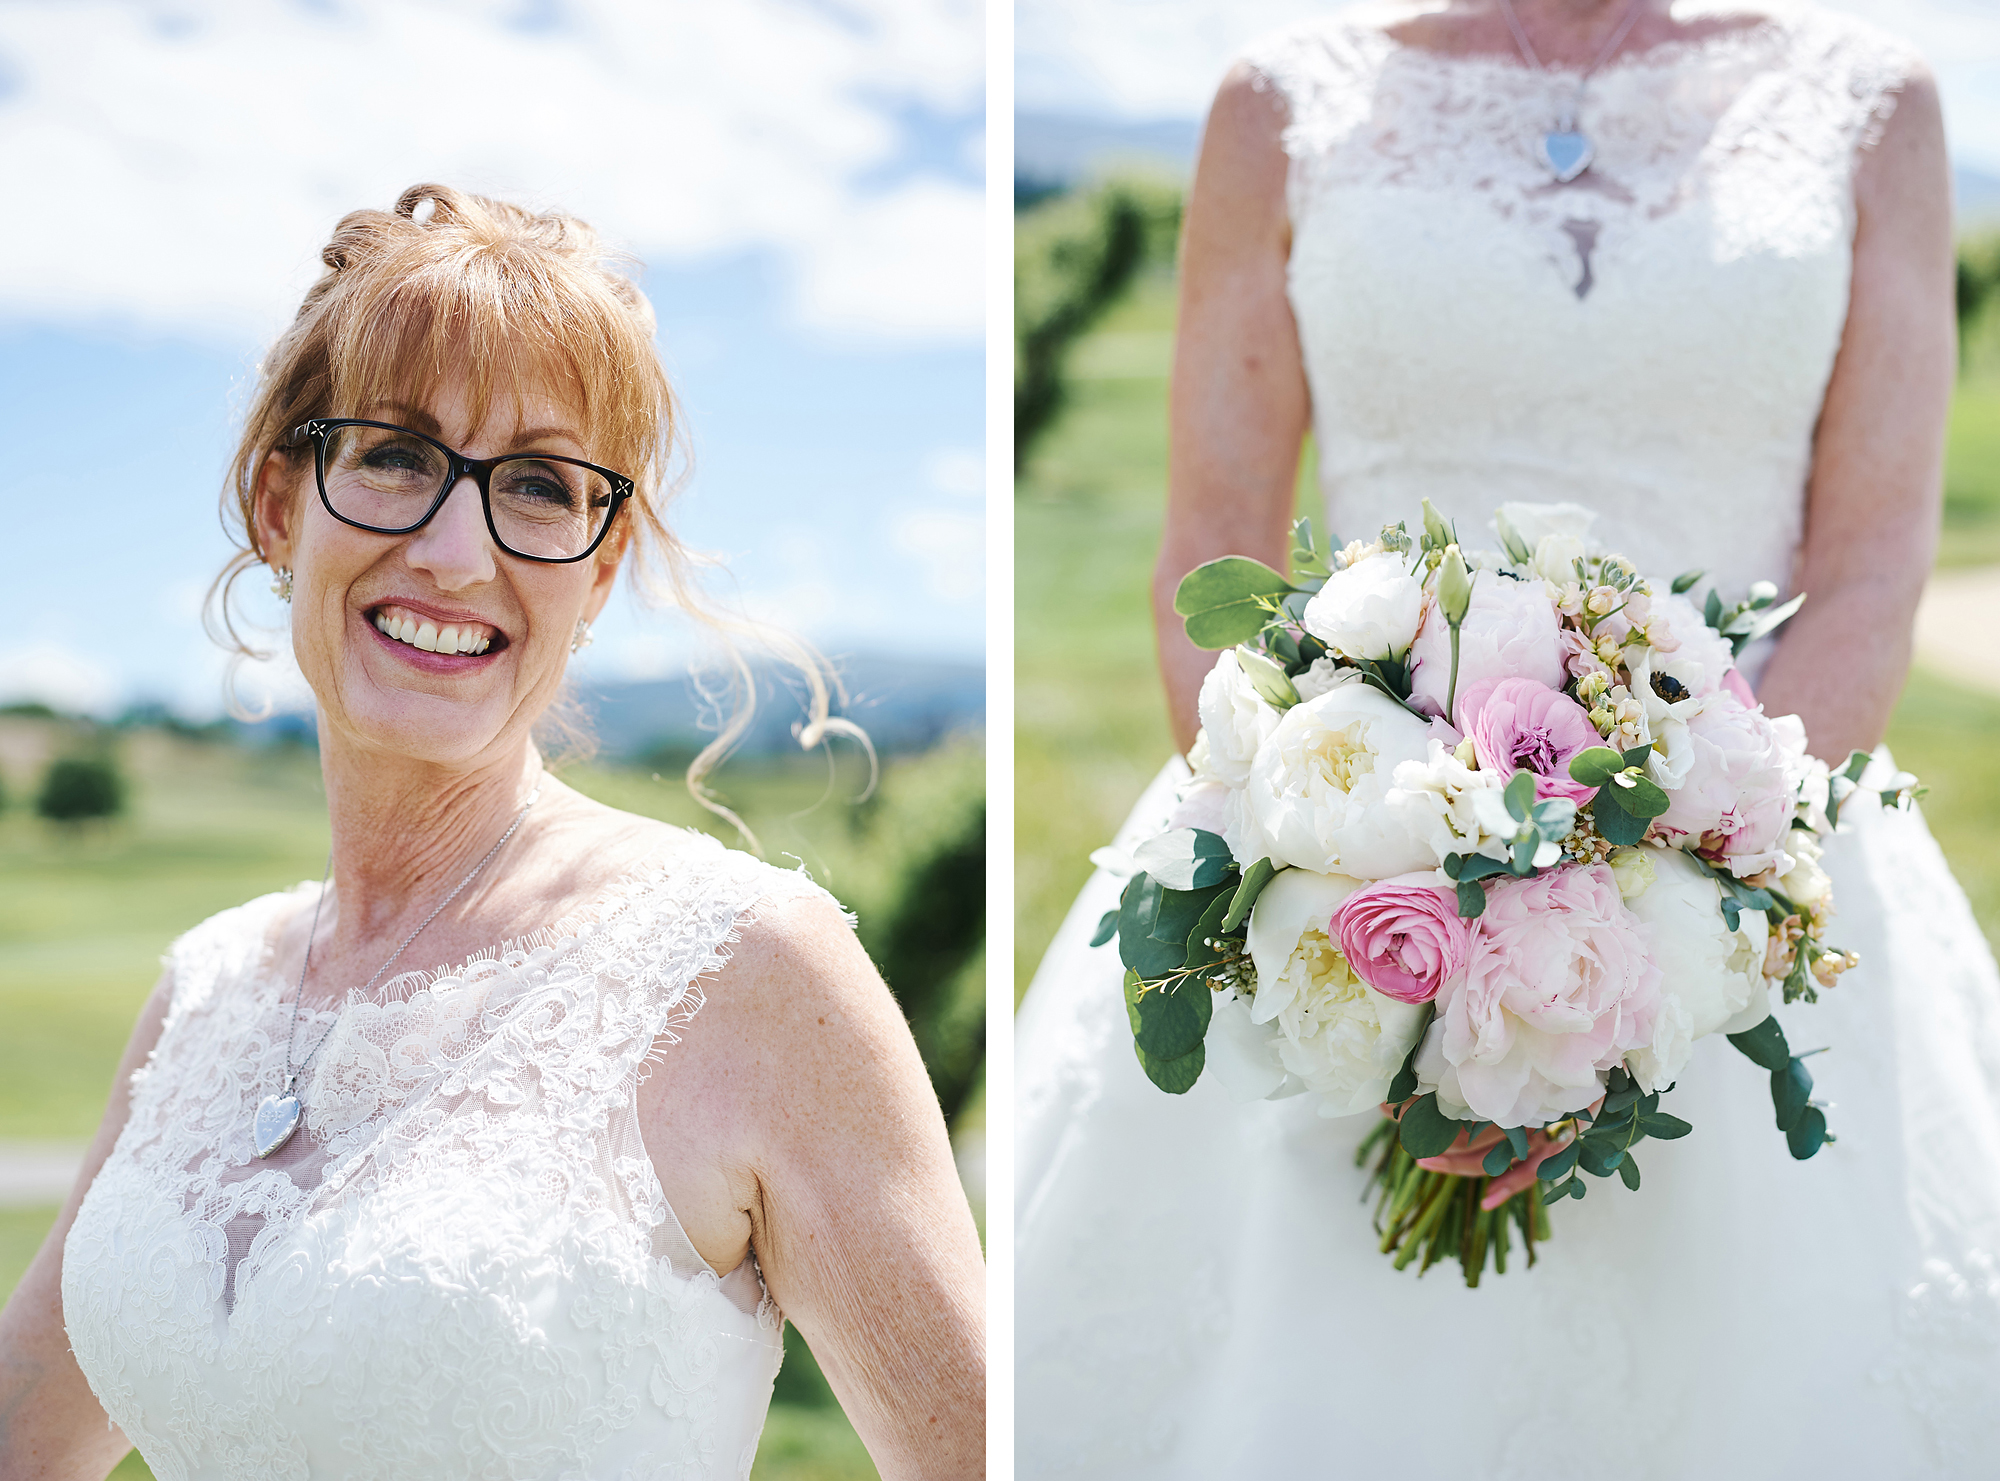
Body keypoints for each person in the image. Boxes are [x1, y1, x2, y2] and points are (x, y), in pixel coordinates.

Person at [1016, 2, 2000, 1474]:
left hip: (1758, 866)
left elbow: (1870, 574)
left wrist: (1683, 899)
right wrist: (1344, 903)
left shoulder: (1875, 107)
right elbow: (1207, 555)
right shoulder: (1279, 106)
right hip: (1343, 860)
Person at [0, 185, 984, 1480]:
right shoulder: (204, 989)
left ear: (601, 561)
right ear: (280, 502)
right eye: (397, 453)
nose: (457, 552)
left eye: (535, 483)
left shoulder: (749, 971)